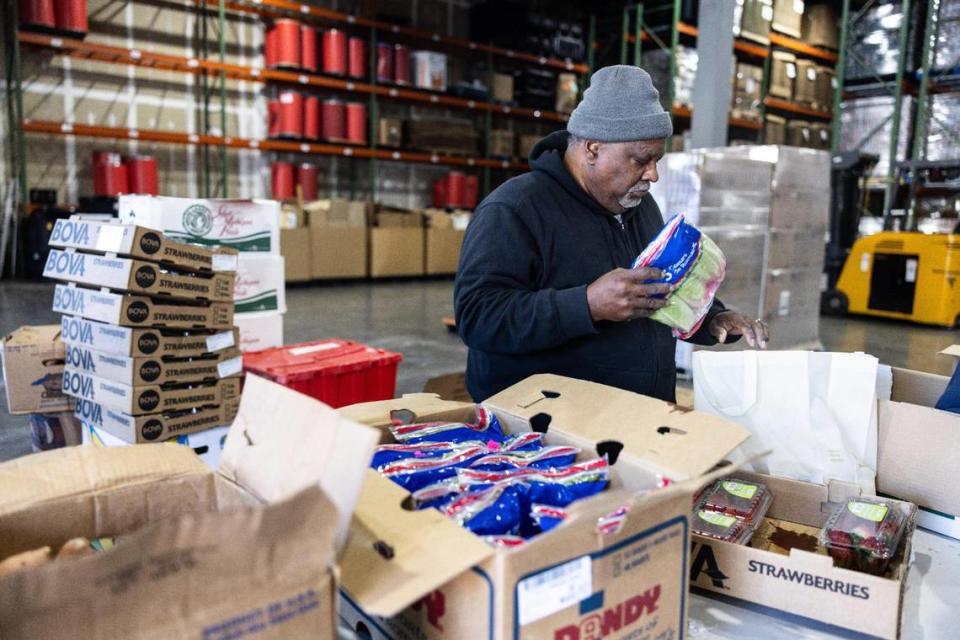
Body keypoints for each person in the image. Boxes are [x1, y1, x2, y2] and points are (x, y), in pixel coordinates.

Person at [454, 64, 768, 402]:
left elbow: (657, 289)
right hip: (548, 432)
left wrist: (710, 317)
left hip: (636, 416)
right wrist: (587, 305)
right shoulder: (515, 210)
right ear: (592, 148)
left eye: (657, 160)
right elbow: (478, 317)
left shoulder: (638, 206)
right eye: (641, 160)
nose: (653, 175)